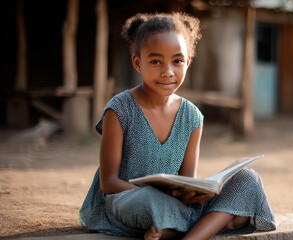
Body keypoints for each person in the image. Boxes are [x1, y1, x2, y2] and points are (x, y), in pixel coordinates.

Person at [79, 12, 276, 240]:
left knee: (248, 180)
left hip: (172, 204)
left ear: (188, 61)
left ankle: (171, 233)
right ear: (137, 62)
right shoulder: (120, 109)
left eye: (177, 60)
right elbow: (108, 183)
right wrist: (160, 196)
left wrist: (195, 194)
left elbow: (186, 181)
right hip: (128, 201)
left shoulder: (192, 117)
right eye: (155, 61)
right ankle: (210, 224)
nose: (168, 71)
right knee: (152, 201)